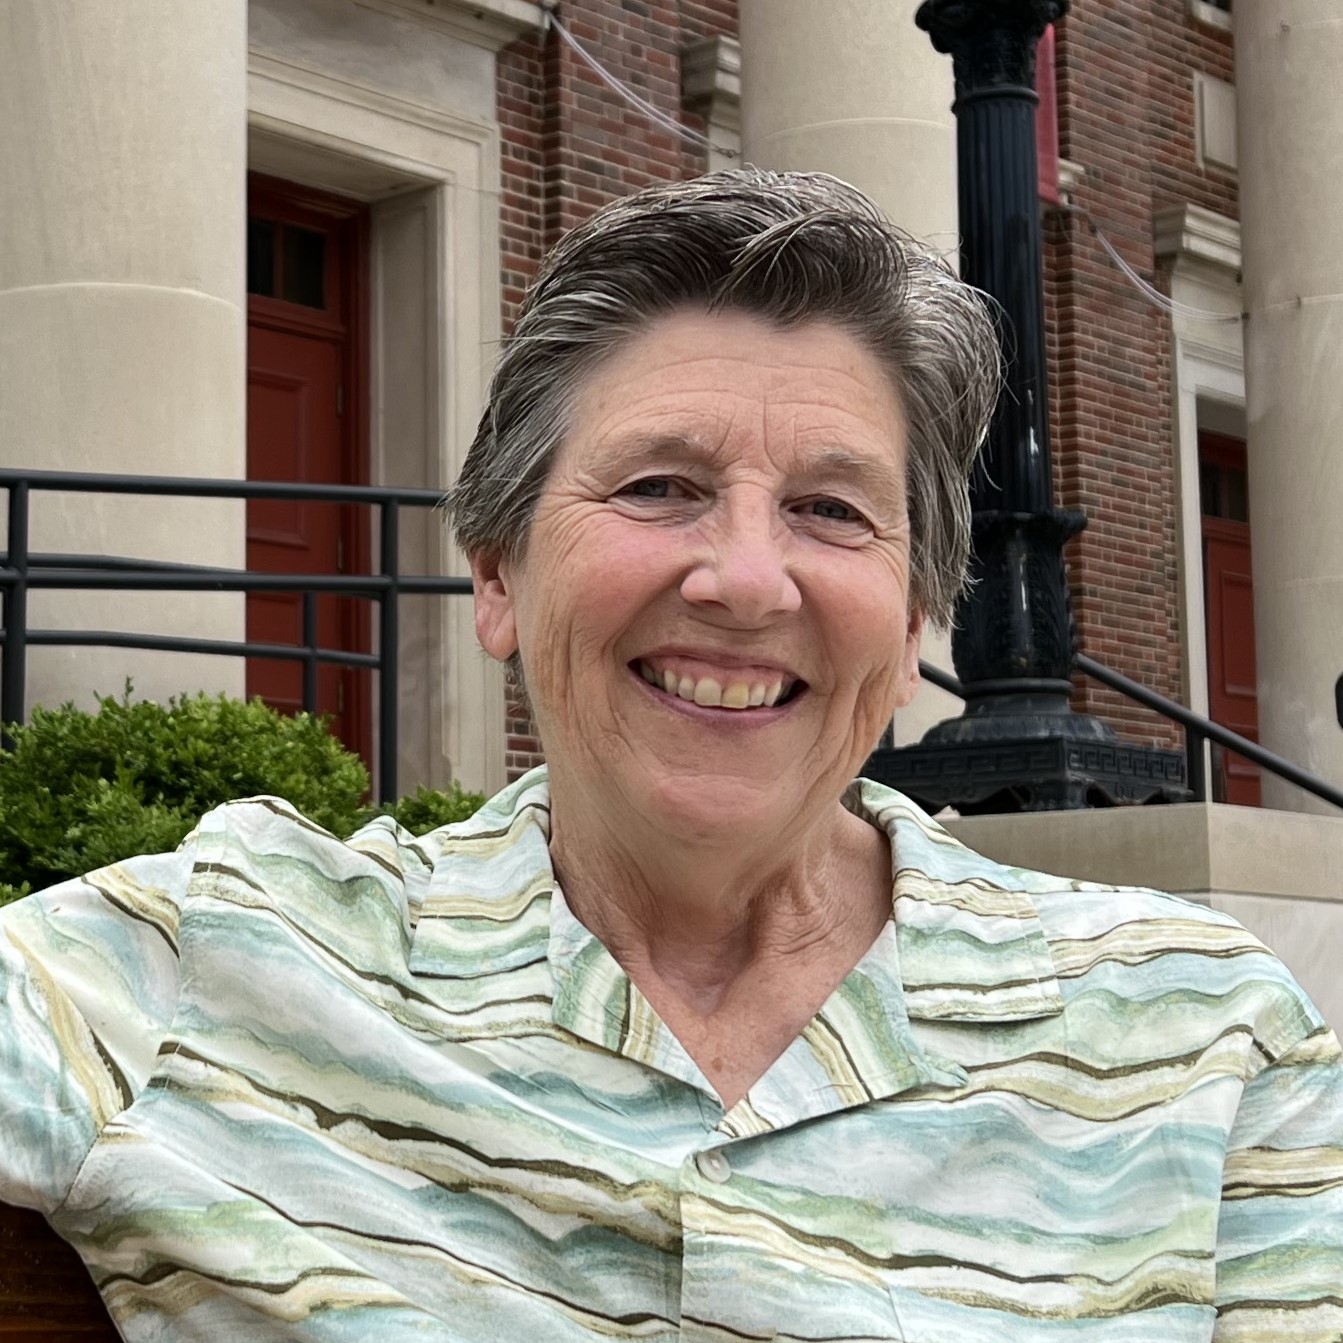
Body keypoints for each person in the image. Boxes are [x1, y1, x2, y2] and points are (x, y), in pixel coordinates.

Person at [2, 169, 1340, 1342]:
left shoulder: (1202, 1041)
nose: (748, 581)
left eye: (830, 508)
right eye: (659, 487)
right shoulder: (221, 962)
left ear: (921, 608)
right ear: (498, 573)